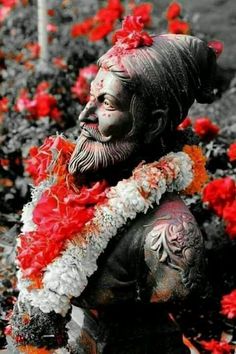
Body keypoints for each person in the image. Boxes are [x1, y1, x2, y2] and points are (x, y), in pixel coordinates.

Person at [8, 16, 221, 354]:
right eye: (91, 98)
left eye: (106, 103)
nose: (84, 116)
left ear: (153, 124)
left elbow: (180, 293)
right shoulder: (69, 190)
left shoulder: (169, 235)